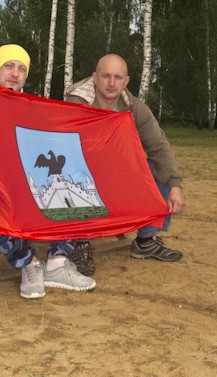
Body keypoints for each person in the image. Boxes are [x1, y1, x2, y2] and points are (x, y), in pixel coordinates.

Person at [0, 44, 97, 299]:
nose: (15, 73)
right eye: (8, 65)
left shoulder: (32, 105)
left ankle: (57, 262)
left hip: (26, 179)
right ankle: (29, 263)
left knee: (80, 194)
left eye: (21, 68)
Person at [64, 54, 186, 275]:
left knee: (160, 170)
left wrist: (175, 185)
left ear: (126, 81)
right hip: (84, 173)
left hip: (118, 174)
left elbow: (159, 146)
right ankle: (77, 242)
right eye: (106, 76)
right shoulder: (76, 103)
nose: (112, 83)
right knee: (71, 175)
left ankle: (145, 240)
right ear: (94, 78)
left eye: (118, 77)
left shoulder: (134, 108)